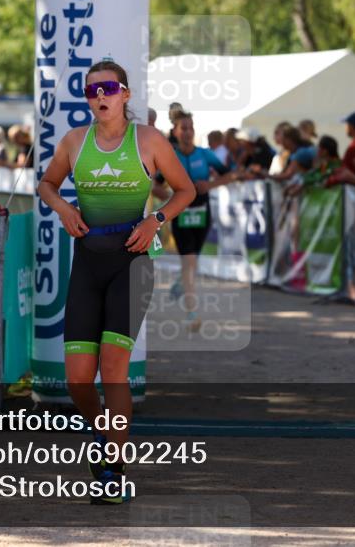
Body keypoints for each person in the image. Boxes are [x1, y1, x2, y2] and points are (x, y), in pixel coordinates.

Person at [37, 59, 194, 506]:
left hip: (133, 263)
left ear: (125, 94)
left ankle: (114, 468)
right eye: (91, 91)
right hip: (87, 264)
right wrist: (64, 208)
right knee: (78, 381)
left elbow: (187, 191)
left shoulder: (148, 141)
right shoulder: (74, 142)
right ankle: (107, 438)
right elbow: (47, 183)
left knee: (113, 370)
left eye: (107, 88)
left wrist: (157, 220)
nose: (99, 97)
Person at [163, 112, 238, 330]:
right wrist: (166, 196)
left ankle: (180, 283)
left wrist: (210, 185)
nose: (187, 132)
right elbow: (155, 182)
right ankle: (191, 311)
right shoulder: (170, 155)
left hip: (203, 212)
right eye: (183, 128)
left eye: (191, 128)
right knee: (189, 261)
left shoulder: (205, 155)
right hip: (180, 213)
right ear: (175, 132)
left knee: (192, 260)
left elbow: (231, 174)